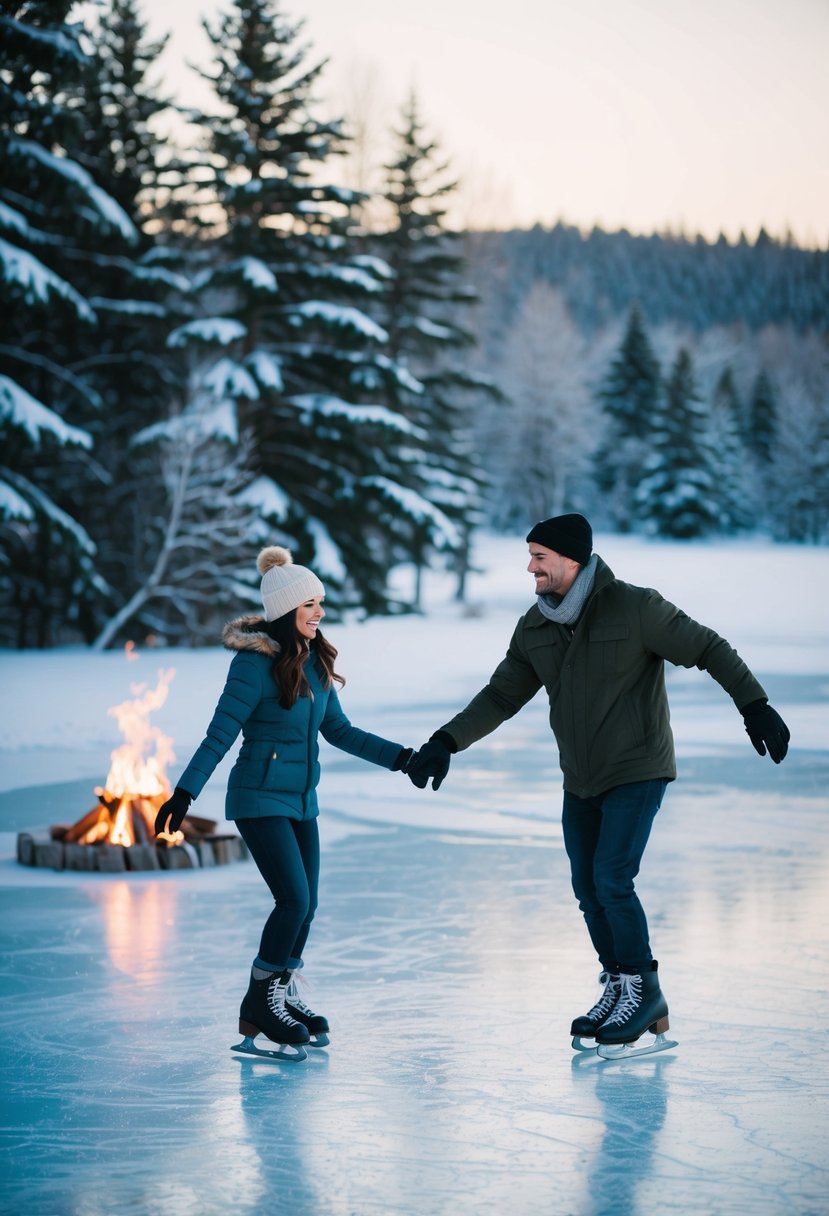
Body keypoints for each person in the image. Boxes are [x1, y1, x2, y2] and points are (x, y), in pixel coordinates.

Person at [406, 514, 790, 1057]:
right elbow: (500, 696)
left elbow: (706, 647)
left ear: (572, 560)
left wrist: (754, 705)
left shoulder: (635, 607)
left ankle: (644, 990)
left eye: (540, 556)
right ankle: (618, 985)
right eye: (530, 555)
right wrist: (445, 741)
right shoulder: (535, 627)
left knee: (612, 877)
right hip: (580, 778)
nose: (530, 566)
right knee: (588, 889)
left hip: (637, 767)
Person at [155, 546, 415, 1061]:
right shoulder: (252, 665)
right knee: (292, 900)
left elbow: (339, 730)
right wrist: (184, 793)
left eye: (320, 602)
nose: (319, 612)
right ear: (284, 610)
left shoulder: (315, 661)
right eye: (309, 604)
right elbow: (219, 734)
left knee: (308, 905)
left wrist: (403, 759)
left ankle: (277, 991)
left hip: (300, 801)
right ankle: (264, 997)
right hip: (257, 798)